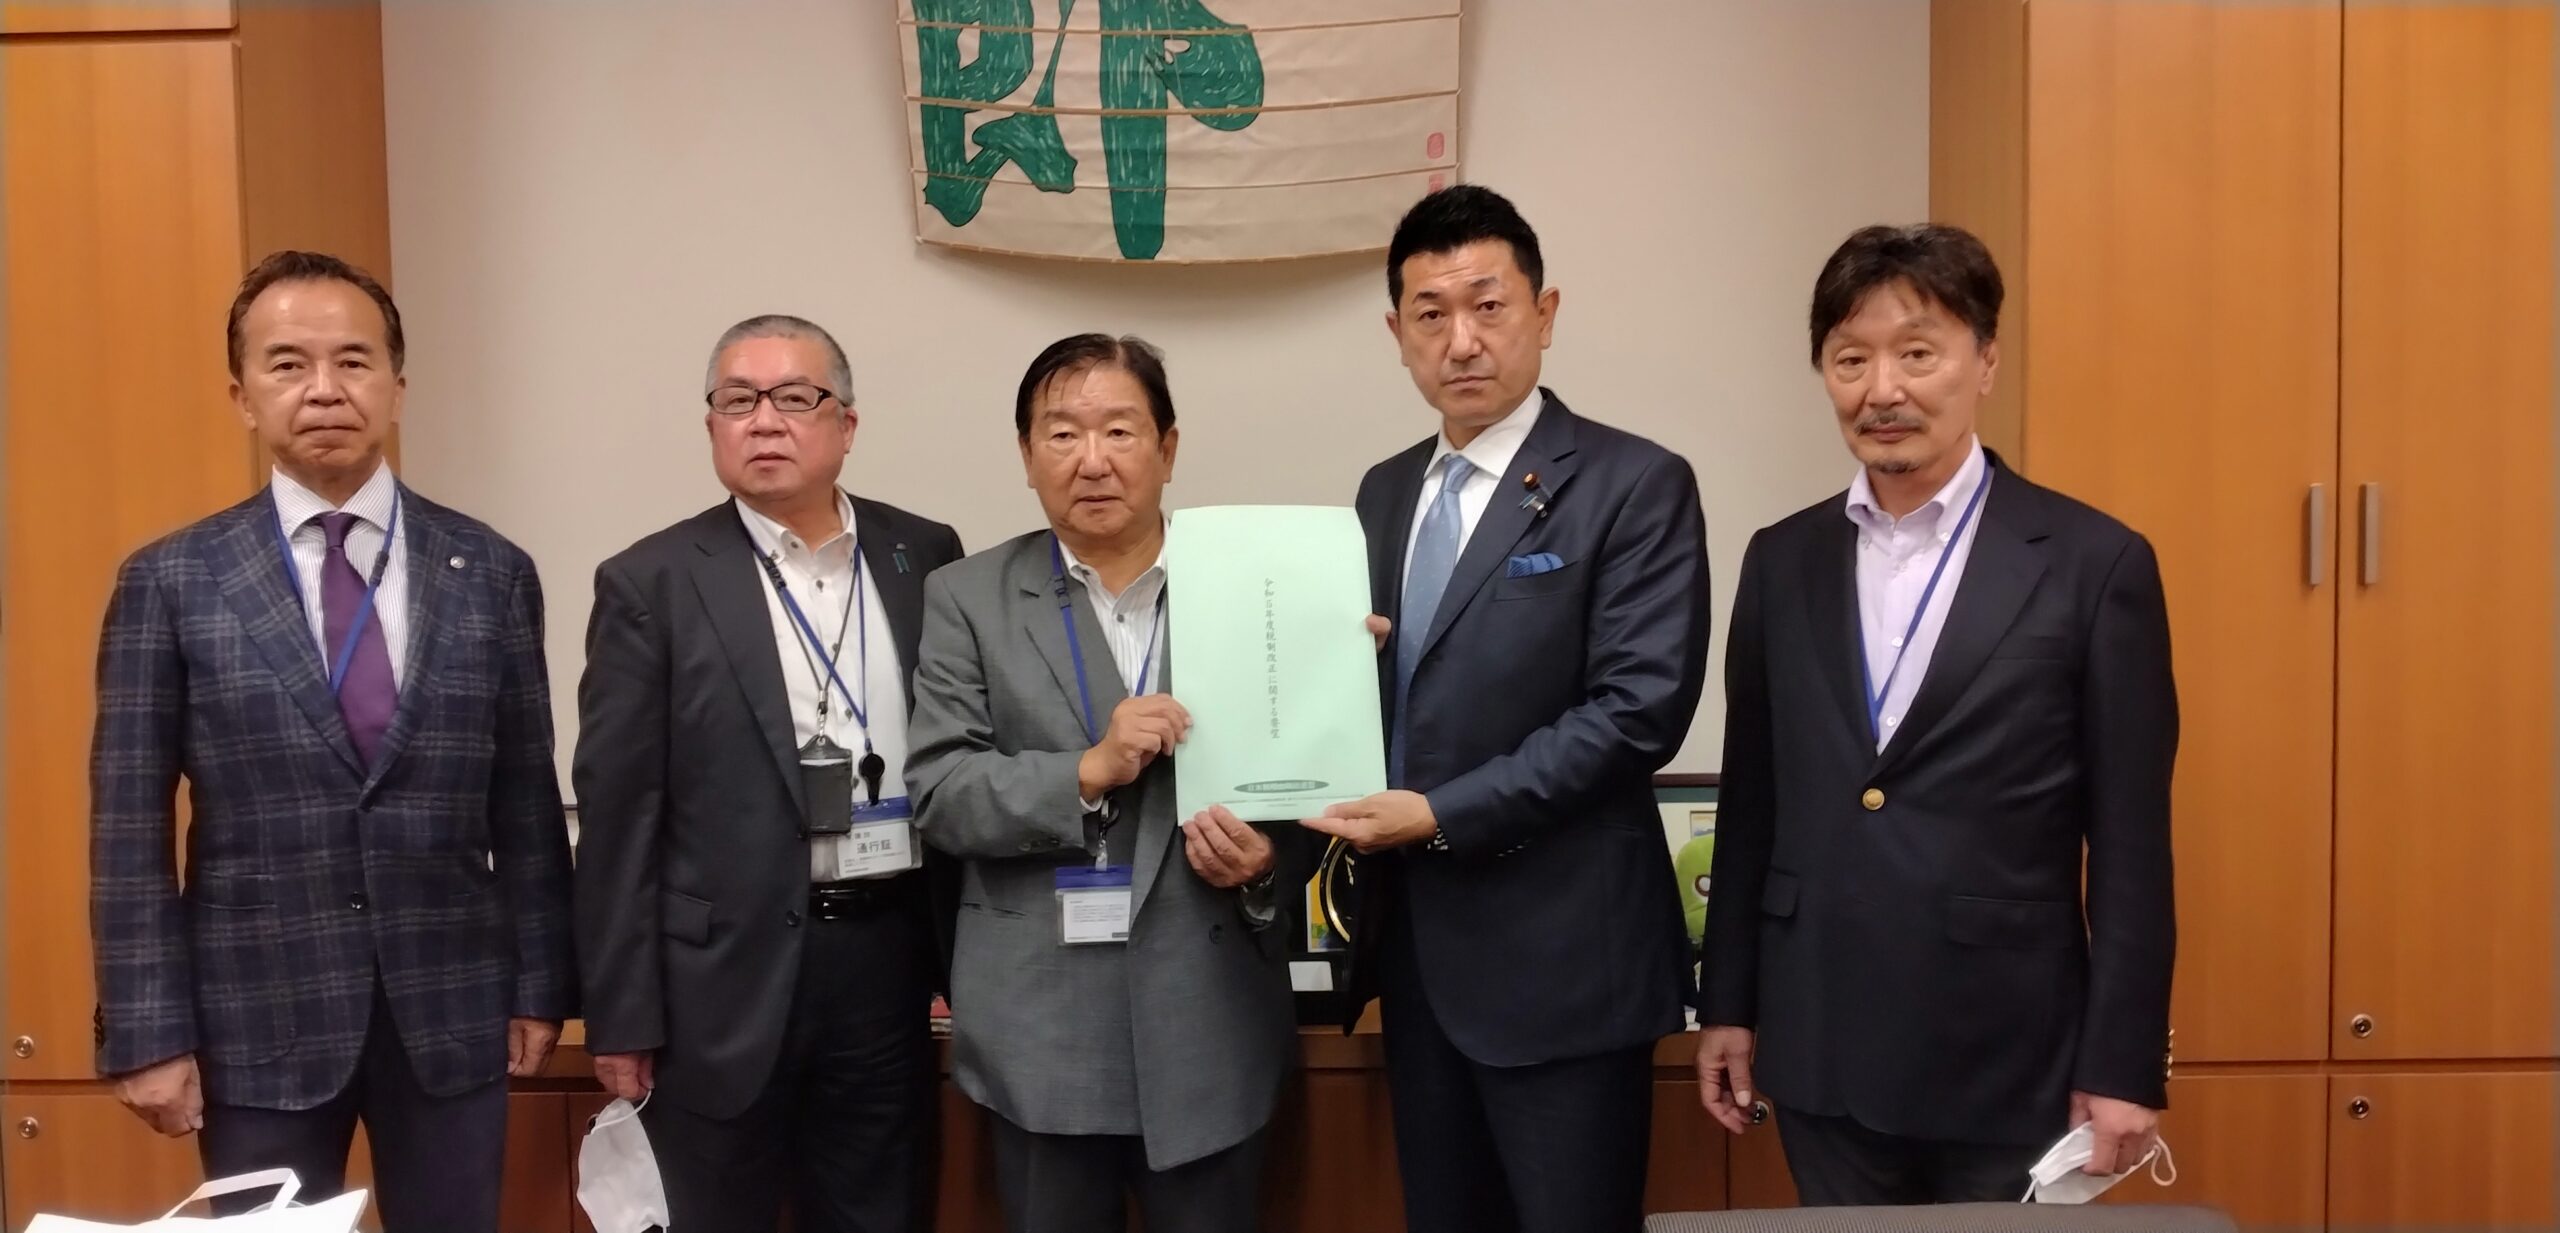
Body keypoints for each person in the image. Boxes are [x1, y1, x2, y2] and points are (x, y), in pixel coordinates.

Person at [88, 250, 574, 1232]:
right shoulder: (172, 581)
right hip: (253, 1017)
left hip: (453, 1006)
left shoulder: (490, 570)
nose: (323, 389)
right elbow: (127, 829)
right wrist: (146, 1029)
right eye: (287, 364)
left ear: (397, 385)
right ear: (242, 396)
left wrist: (541, 983)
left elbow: (524, 802)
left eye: (353, 361)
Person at [1697, 223, 2177, 1204]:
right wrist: (1728, 1005)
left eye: (1917, 353)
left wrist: (2123, 1061)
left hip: (2007, 1051)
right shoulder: (1780, 560)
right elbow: (1753, 806)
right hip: (1819, 1040)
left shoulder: (2093, 564)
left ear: (1984, 360)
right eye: (1851, 360)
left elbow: (2132, 844)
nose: (1883, 389)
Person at [1315, 185, 1712, 1233]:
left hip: (1567, 966)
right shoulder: (1382, 491)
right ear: (1397, 334)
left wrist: (1439, 813)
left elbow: (1635, 712)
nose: (1462, 340)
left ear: (1545, 312)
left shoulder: (1634, 482)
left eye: (1488, 306)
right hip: (1419, 966)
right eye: (1431, 313)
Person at [906, 333, 1317, 1233]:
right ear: (1026, 455)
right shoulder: (967, 596)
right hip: (1039, 1033)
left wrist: (1263, 864)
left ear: (1167, 447)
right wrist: (1086, 770)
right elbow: (940, 791)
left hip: (1211, 1023)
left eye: (1120, 430)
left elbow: (1307, 784)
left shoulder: (1258, 585)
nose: (1091, 459)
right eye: (1062, 434)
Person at [572, 315, 964, 1233]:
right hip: (718, 983)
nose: (764, 420)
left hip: (888, 960)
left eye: (794, 397)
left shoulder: (924, 553)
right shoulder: (651, 580)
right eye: (737, 400)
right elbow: (618, 815)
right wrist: (620, 1015)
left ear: (847, 425)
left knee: (882, 1213)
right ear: (712, 425)